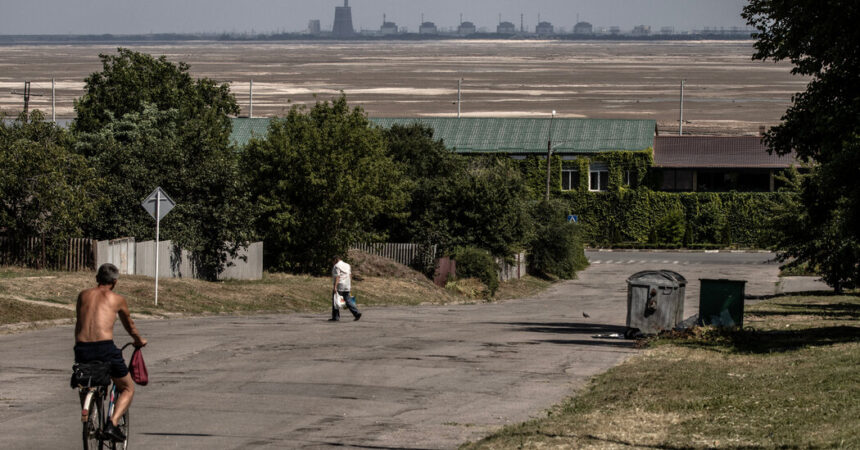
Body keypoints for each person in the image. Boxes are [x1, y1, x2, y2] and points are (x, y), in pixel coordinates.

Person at [74, 263, 147, 442]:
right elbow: (129, 325)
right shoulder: (117, 299)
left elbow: (79, 323)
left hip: (82, 348)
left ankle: (89, 414)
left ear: (97, 278)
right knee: (128, 388)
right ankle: (112, 423)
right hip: (104, 348)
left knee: (85, 379)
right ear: (115, 281)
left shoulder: (83, 295)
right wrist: (139, 340)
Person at [331, 255, 361, 321]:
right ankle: (356, 313)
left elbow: (337, 277)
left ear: (335, 260)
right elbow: (350, 275)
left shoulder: (336, 266)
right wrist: (349, 284)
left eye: (332, 261)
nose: (332, 263)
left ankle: (335, 317)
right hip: (347, 285)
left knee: (335, 300)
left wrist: (335, 287)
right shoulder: (347, 265)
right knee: (347, 300)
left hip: (340, 285)